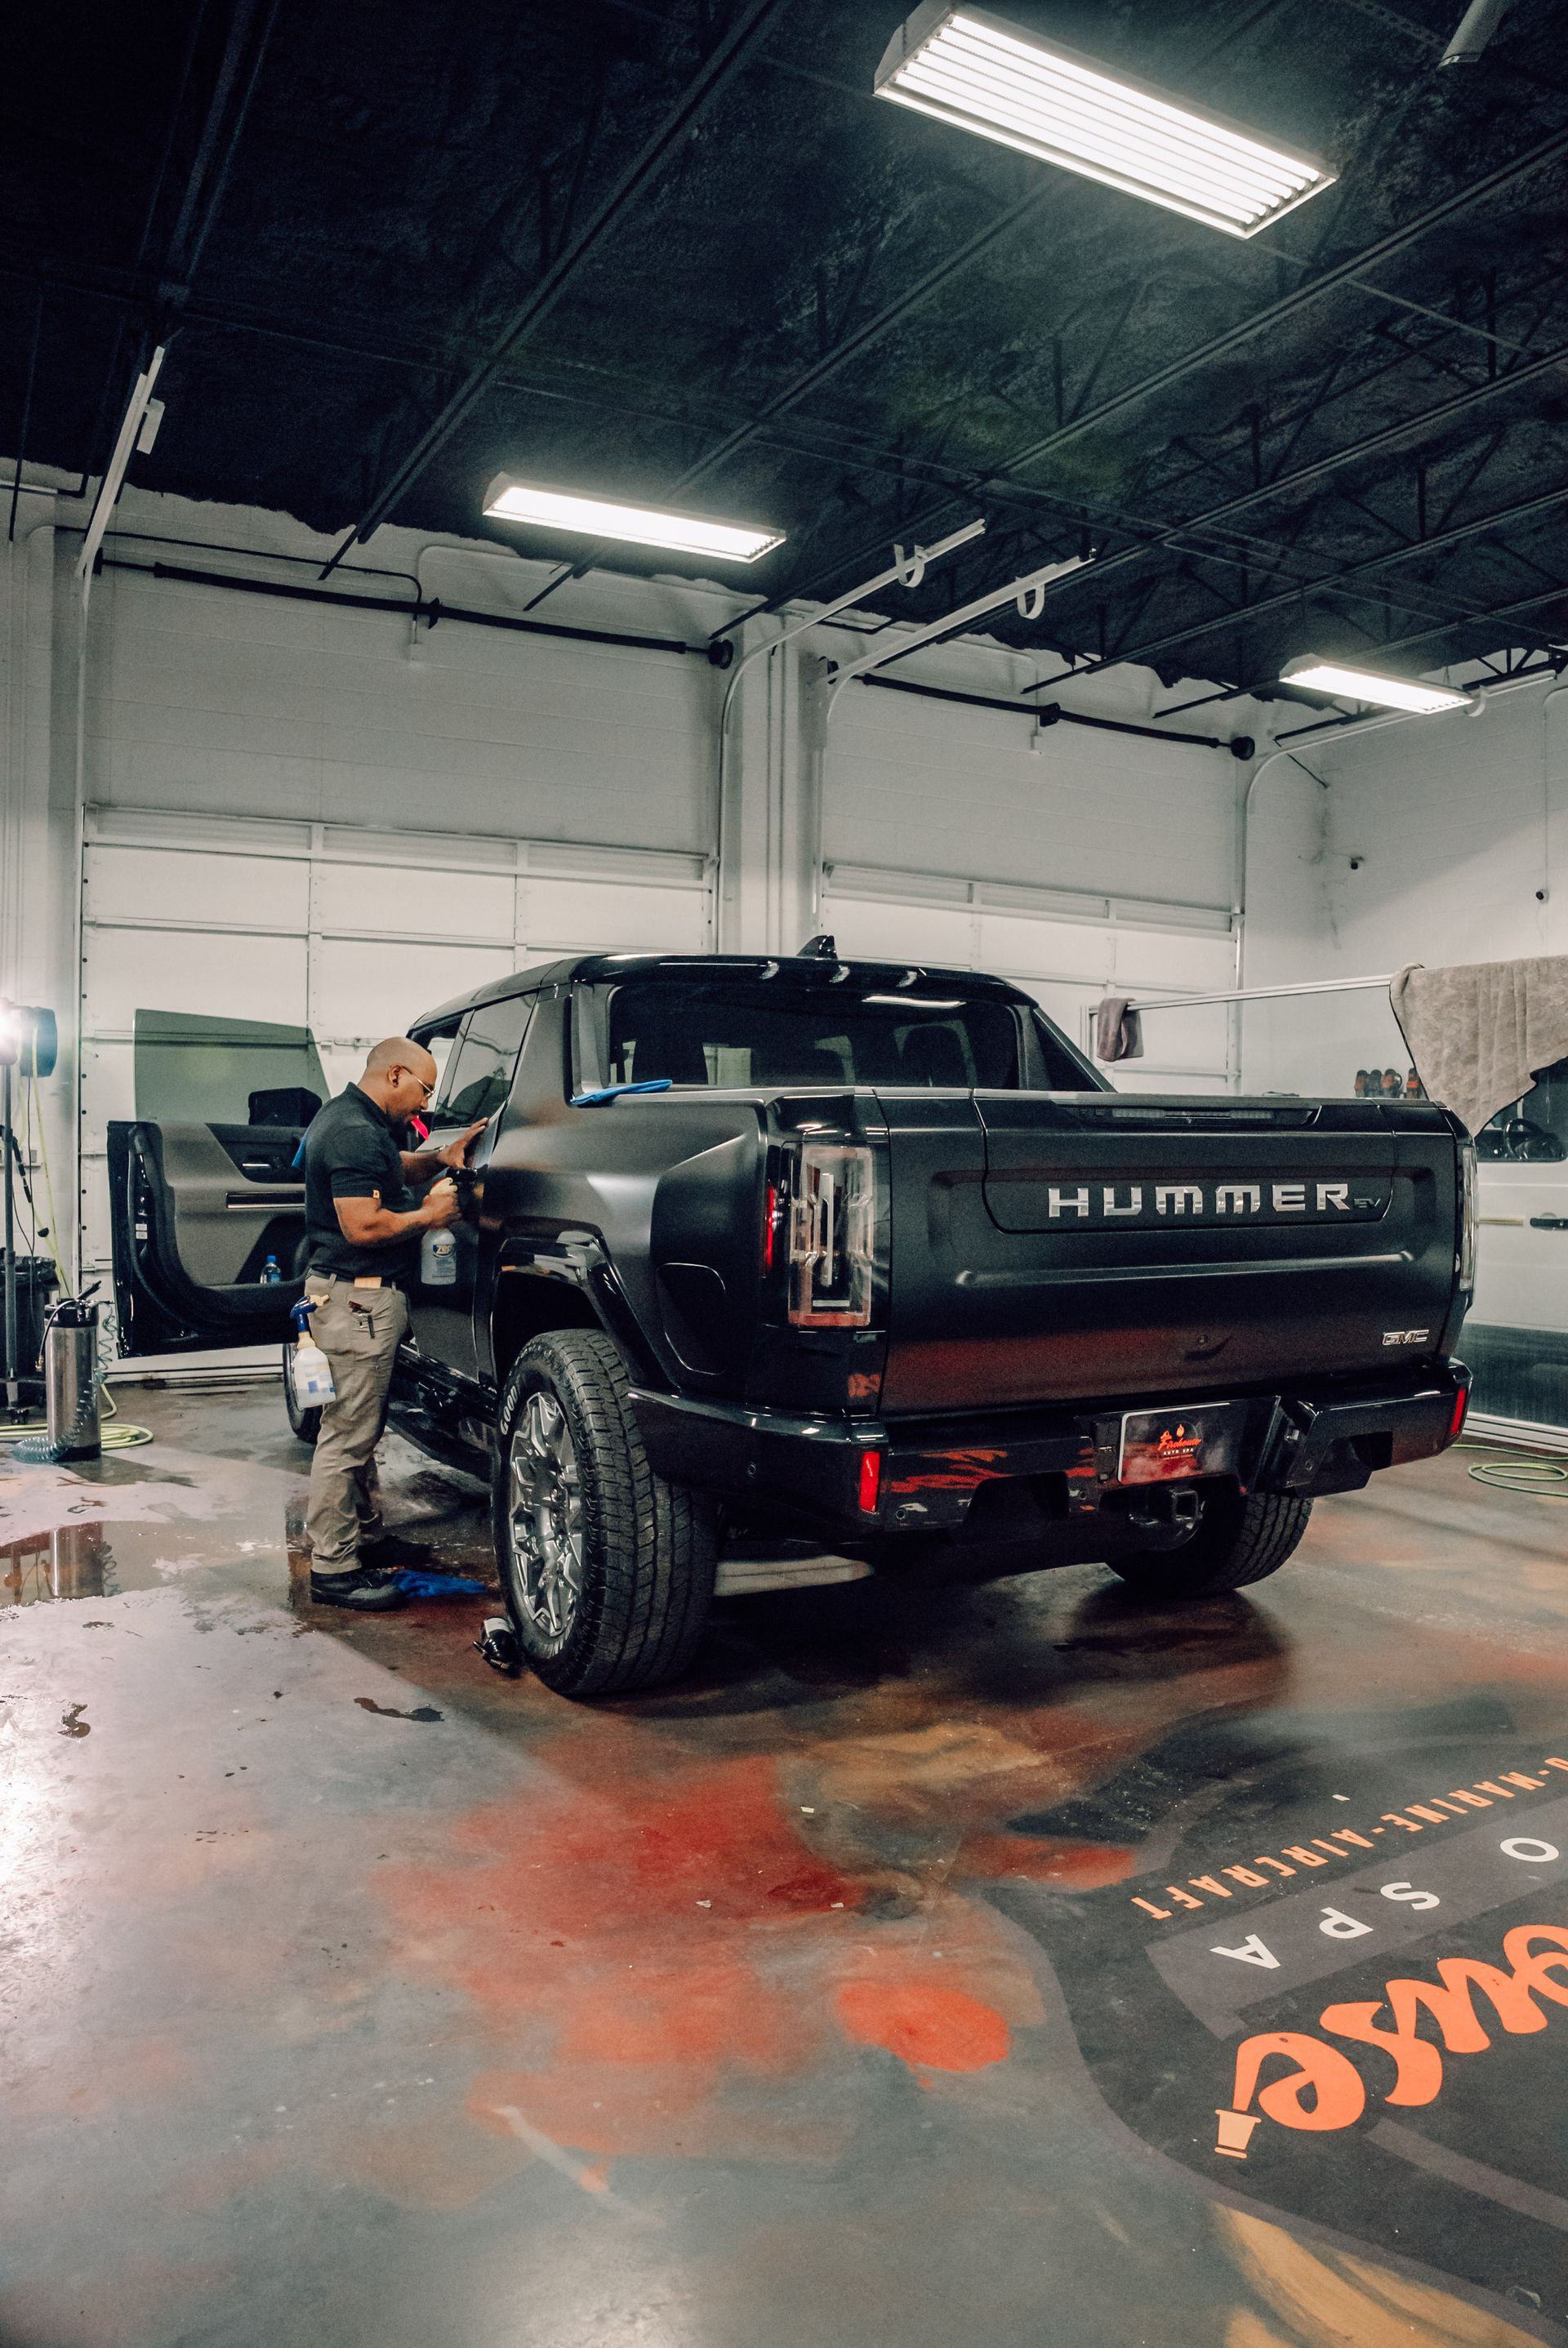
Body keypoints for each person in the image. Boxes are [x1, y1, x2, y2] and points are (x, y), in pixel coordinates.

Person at [299, 1037, 482, 1612]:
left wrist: (436, 1159)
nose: (425, 1106)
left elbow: (389, 1166)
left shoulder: (354, 1118)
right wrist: (430, 1214)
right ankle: (333, 1568)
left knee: (356, 1433)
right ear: (396, 1073)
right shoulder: (355, 1130)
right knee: (347, 1438)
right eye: (424, 1090)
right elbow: (363, 1226)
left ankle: (357, 1541)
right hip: (358, 1303)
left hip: (350, 1301)